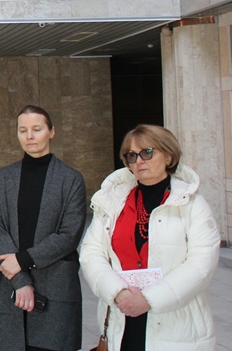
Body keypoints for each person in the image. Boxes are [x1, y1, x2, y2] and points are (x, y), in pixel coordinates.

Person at [79, 124, 220, 350]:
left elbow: (201, 264)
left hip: (177, 325)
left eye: (147, 152)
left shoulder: (193, 205)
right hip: (123, 318)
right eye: (132, 155)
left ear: (168, 156)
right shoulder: (111, 202)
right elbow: (91, 253)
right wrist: (118, 293)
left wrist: (149, 300)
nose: (139, 161)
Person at [0, 105, 86, 351]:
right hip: (10, 286)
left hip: (55, 289)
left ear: (51, 131)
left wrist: (23, 260)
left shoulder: (71, 179)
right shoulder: (3, 178)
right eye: (23, 130)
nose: (29, 136)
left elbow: (69, 235)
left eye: (37, 129)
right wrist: (20, 280)